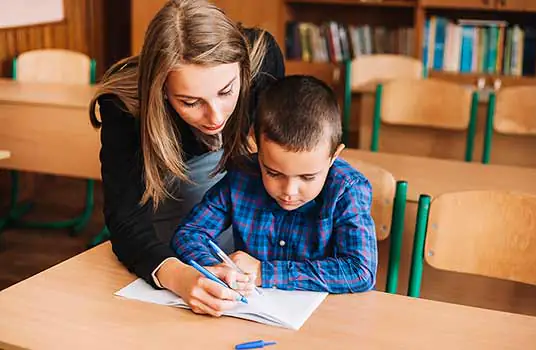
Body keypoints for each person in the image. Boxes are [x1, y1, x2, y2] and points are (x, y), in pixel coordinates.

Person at [88, 0, 285, 316]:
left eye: (226, 91)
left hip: (240, 223)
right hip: (165, 233)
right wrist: (179, 277)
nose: (216, 117)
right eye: (191, 102)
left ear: (244, 71)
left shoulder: (263, 60)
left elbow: (277, 159)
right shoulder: (125, 106)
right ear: (160, 89)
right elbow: (126, 219)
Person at [171, 75, 378, 313]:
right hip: (252, 313)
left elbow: (360, 271)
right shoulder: (242, 176)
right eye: (273, 173)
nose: (289, 192)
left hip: (323, 320)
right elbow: (189, 234)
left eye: (308, 177)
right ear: (256, 146)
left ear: (333, 156)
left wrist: (263, 272)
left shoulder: (347, 190)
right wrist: (218, 268)